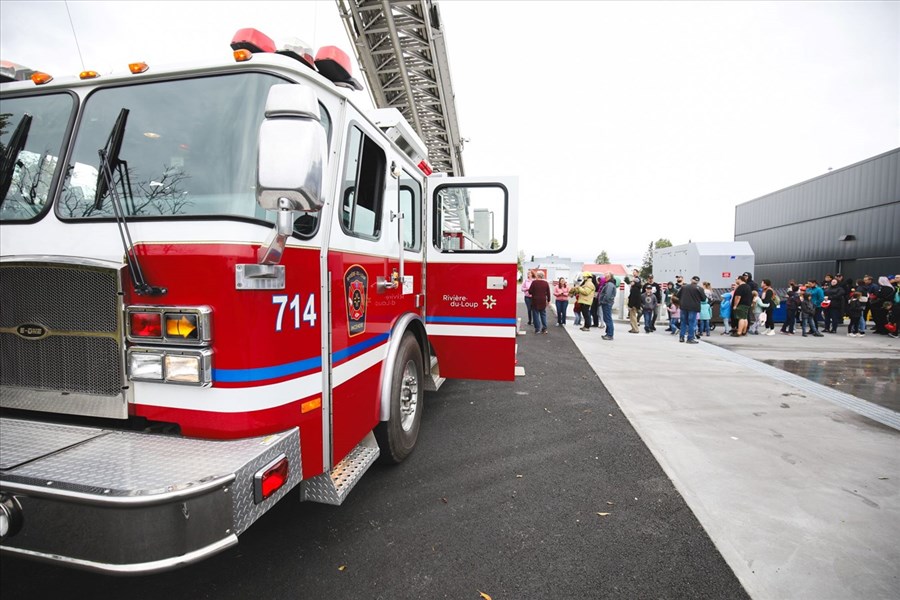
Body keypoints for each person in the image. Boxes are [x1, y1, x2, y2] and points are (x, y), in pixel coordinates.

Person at [675, 275, 706, 343]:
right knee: (691, 323)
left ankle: (681, 337)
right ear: (697, 282)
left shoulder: (684, 287)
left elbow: (677, 295)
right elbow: (704, 299)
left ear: (691, 280)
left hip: (683, 307)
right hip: (693, 307)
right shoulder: (700, 289)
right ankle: (690, 338)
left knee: (683, 322)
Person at [598, 272, 617, 340]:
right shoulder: (610, 284)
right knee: (607, 318)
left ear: (609, 277)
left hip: (606, 303)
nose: (604, 278)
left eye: (606, 277)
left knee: (608, 319)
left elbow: (607, 295)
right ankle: (608, 333)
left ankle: (610, 334)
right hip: (607, 303)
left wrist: (602, 301)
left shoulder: (609, 285)